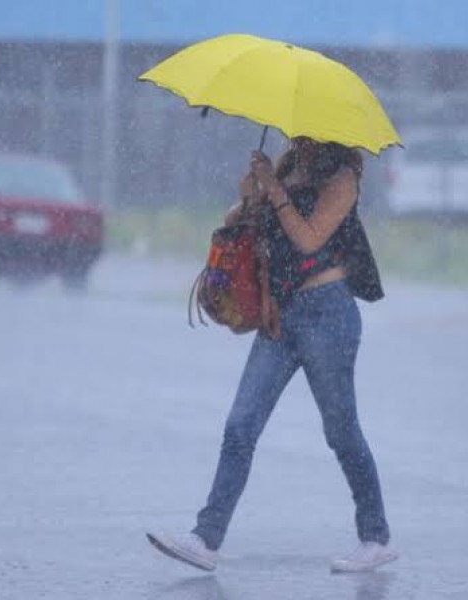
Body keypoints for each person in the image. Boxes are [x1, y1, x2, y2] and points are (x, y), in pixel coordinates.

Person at [147, 136, 397, 573]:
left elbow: (309, 239)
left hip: (328, 313)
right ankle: (205, 538)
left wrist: (274, 190)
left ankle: (376, 537)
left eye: (308, 130)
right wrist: (250, 195)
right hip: (280, 313)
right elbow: (238, 223)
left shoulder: (343, 178)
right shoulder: (284, 168)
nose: (298, 137)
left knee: (341, 432)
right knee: (241, 424)